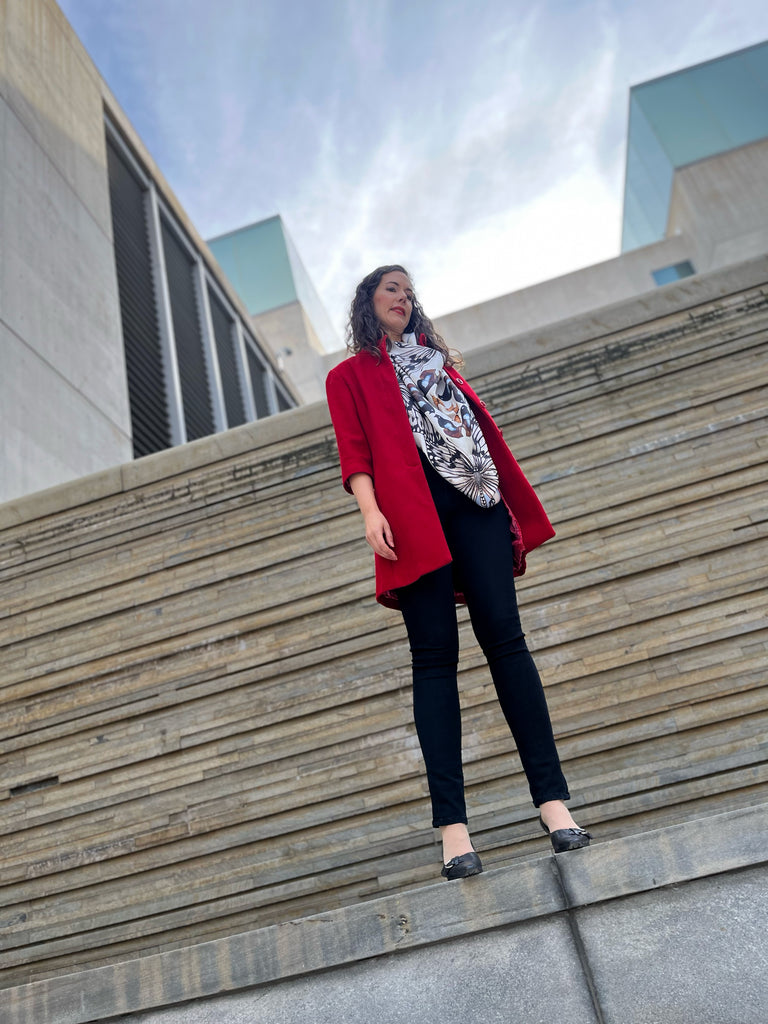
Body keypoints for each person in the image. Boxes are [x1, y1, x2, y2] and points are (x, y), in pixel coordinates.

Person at [325, 265, 591, 879]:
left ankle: (555, 808)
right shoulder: (350, 377)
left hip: (476, 503)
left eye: (409, 291)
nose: (404, 296)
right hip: (411, 518)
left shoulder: (438, 366)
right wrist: (370, 511)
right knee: (434, 659)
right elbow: (355, 451)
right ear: (368, 302)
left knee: (508, 643)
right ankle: (453, 832)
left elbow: (476, 435)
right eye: (391, 288)